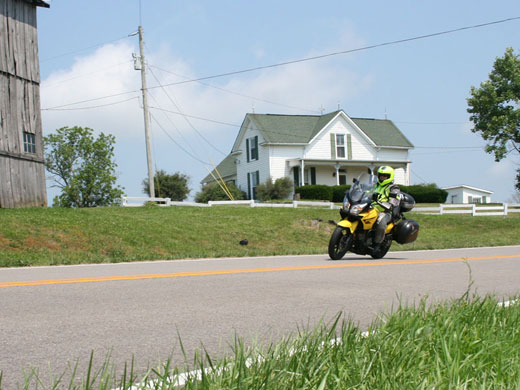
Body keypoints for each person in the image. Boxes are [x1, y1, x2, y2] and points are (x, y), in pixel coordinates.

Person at [372, 166, 402, 249]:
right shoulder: (375, 185)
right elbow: (366, 192)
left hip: (385, 212)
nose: (382, 177)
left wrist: (388, 204)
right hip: (371, 208)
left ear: (390, 176)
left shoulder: (394, 188)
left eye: (384, 176)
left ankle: (377, 244)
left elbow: (395, 200)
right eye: (380, 175)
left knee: (381, 223)